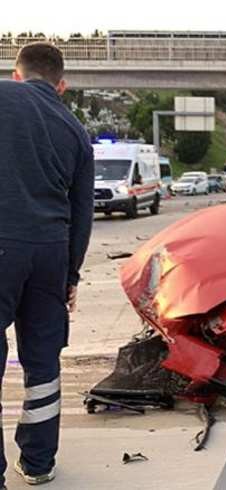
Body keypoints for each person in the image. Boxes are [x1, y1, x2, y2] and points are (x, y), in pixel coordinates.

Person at [0, 42, 94, 487]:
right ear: (62, 85)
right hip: (51, 251)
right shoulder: (75, 128)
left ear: (17, 75)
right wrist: (70, 275)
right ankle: (38, 463)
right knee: (42, 362)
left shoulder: (3, 95)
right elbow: (82, 212)